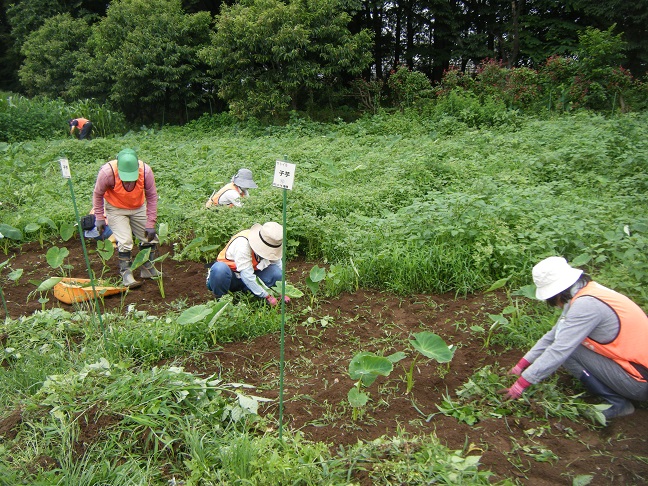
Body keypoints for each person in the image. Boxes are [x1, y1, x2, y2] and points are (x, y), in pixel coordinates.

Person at [501, 256, 648, 422]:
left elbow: (559, 349)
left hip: (640, 381)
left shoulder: (586, 305)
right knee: (565, 341)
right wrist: (521, 365)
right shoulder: (587, 292)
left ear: (556, 294)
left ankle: (618, 403)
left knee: (570, 351)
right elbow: (554, 334)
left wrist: (521, 384)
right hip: (634, 369)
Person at [92, 148, 160, 287]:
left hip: (138, 206)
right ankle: (126, 274)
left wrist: (150, 223)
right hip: (116, 208)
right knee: (125, 240)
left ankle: (147, 268)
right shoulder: (107, 172)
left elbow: (152, 197)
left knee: (150, 237)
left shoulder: (146, 172)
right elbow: (98, 194)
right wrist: (99, 217)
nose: (129, 182)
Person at [206, 221, 290, 306]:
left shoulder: (272, 241)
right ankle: (221, 300)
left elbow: (279, 267)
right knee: (219, 269)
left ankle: (249, 291)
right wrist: (267, 296)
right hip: (231, 278)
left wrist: (283, 290)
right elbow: (246, 275)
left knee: (276, 273)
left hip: (251, 276)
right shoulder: (243, 244)